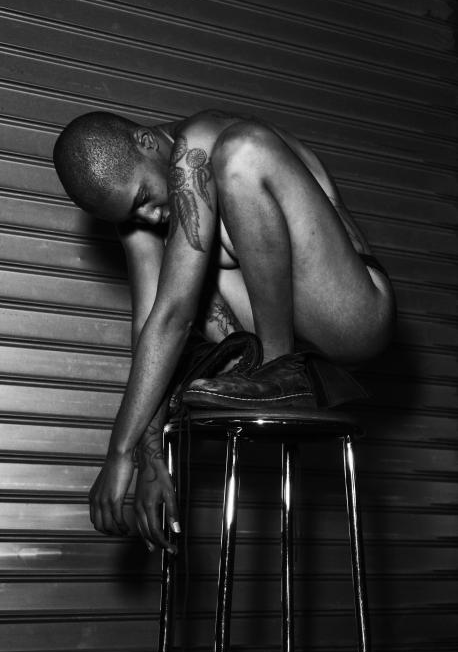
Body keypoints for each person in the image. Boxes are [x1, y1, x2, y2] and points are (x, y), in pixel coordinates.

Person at [53, 108, 396, 553]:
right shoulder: (139, 218)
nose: (150, 215)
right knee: (181, 271)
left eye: (143, 198)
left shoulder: (199, 141)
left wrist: (119, 450)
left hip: (352, 312)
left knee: (240, 153)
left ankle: (278, 366)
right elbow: (152, 322)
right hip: (288, 334)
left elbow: (175, 316)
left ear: (146, 141)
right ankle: (265, 367)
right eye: (135, 214)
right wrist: (148, 454)